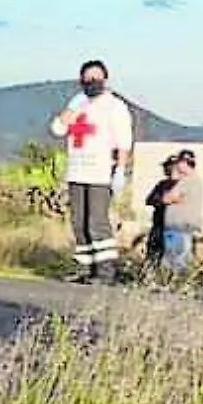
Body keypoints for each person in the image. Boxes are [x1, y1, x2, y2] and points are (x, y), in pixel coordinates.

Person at [49, 59, 135, 284]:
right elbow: (58, 128)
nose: (91, 82)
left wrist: (120, 170)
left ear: (105, 79)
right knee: (78, 222)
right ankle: (85, 267)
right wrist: (66, 116)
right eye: (87, 78)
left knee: (96, 221)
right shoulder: (78, 101)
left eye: (96, 78)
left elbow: (123, 142)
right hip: (76, 170)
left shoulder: (115, 106)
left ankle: (106, 271)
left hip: (100, 172)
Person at [160, 150, 203, 273]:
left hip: (180, 227)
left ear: (184, 163)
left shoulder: (188, 181)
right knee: (174, 258)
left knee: (176, 260)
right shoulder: (187, 181)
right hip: (176, 227)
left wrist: (173, 196)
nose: (176, 166)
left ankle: (175, 283)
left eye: (178, 163)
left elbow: (166, 198)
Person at [142, 153, 179, 267]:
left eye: (168, 166)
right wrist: (162, 200)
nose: (165, 169)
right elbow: (149, 200)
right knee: (153, 254)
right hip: (158, 225)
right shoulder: (162, 184)